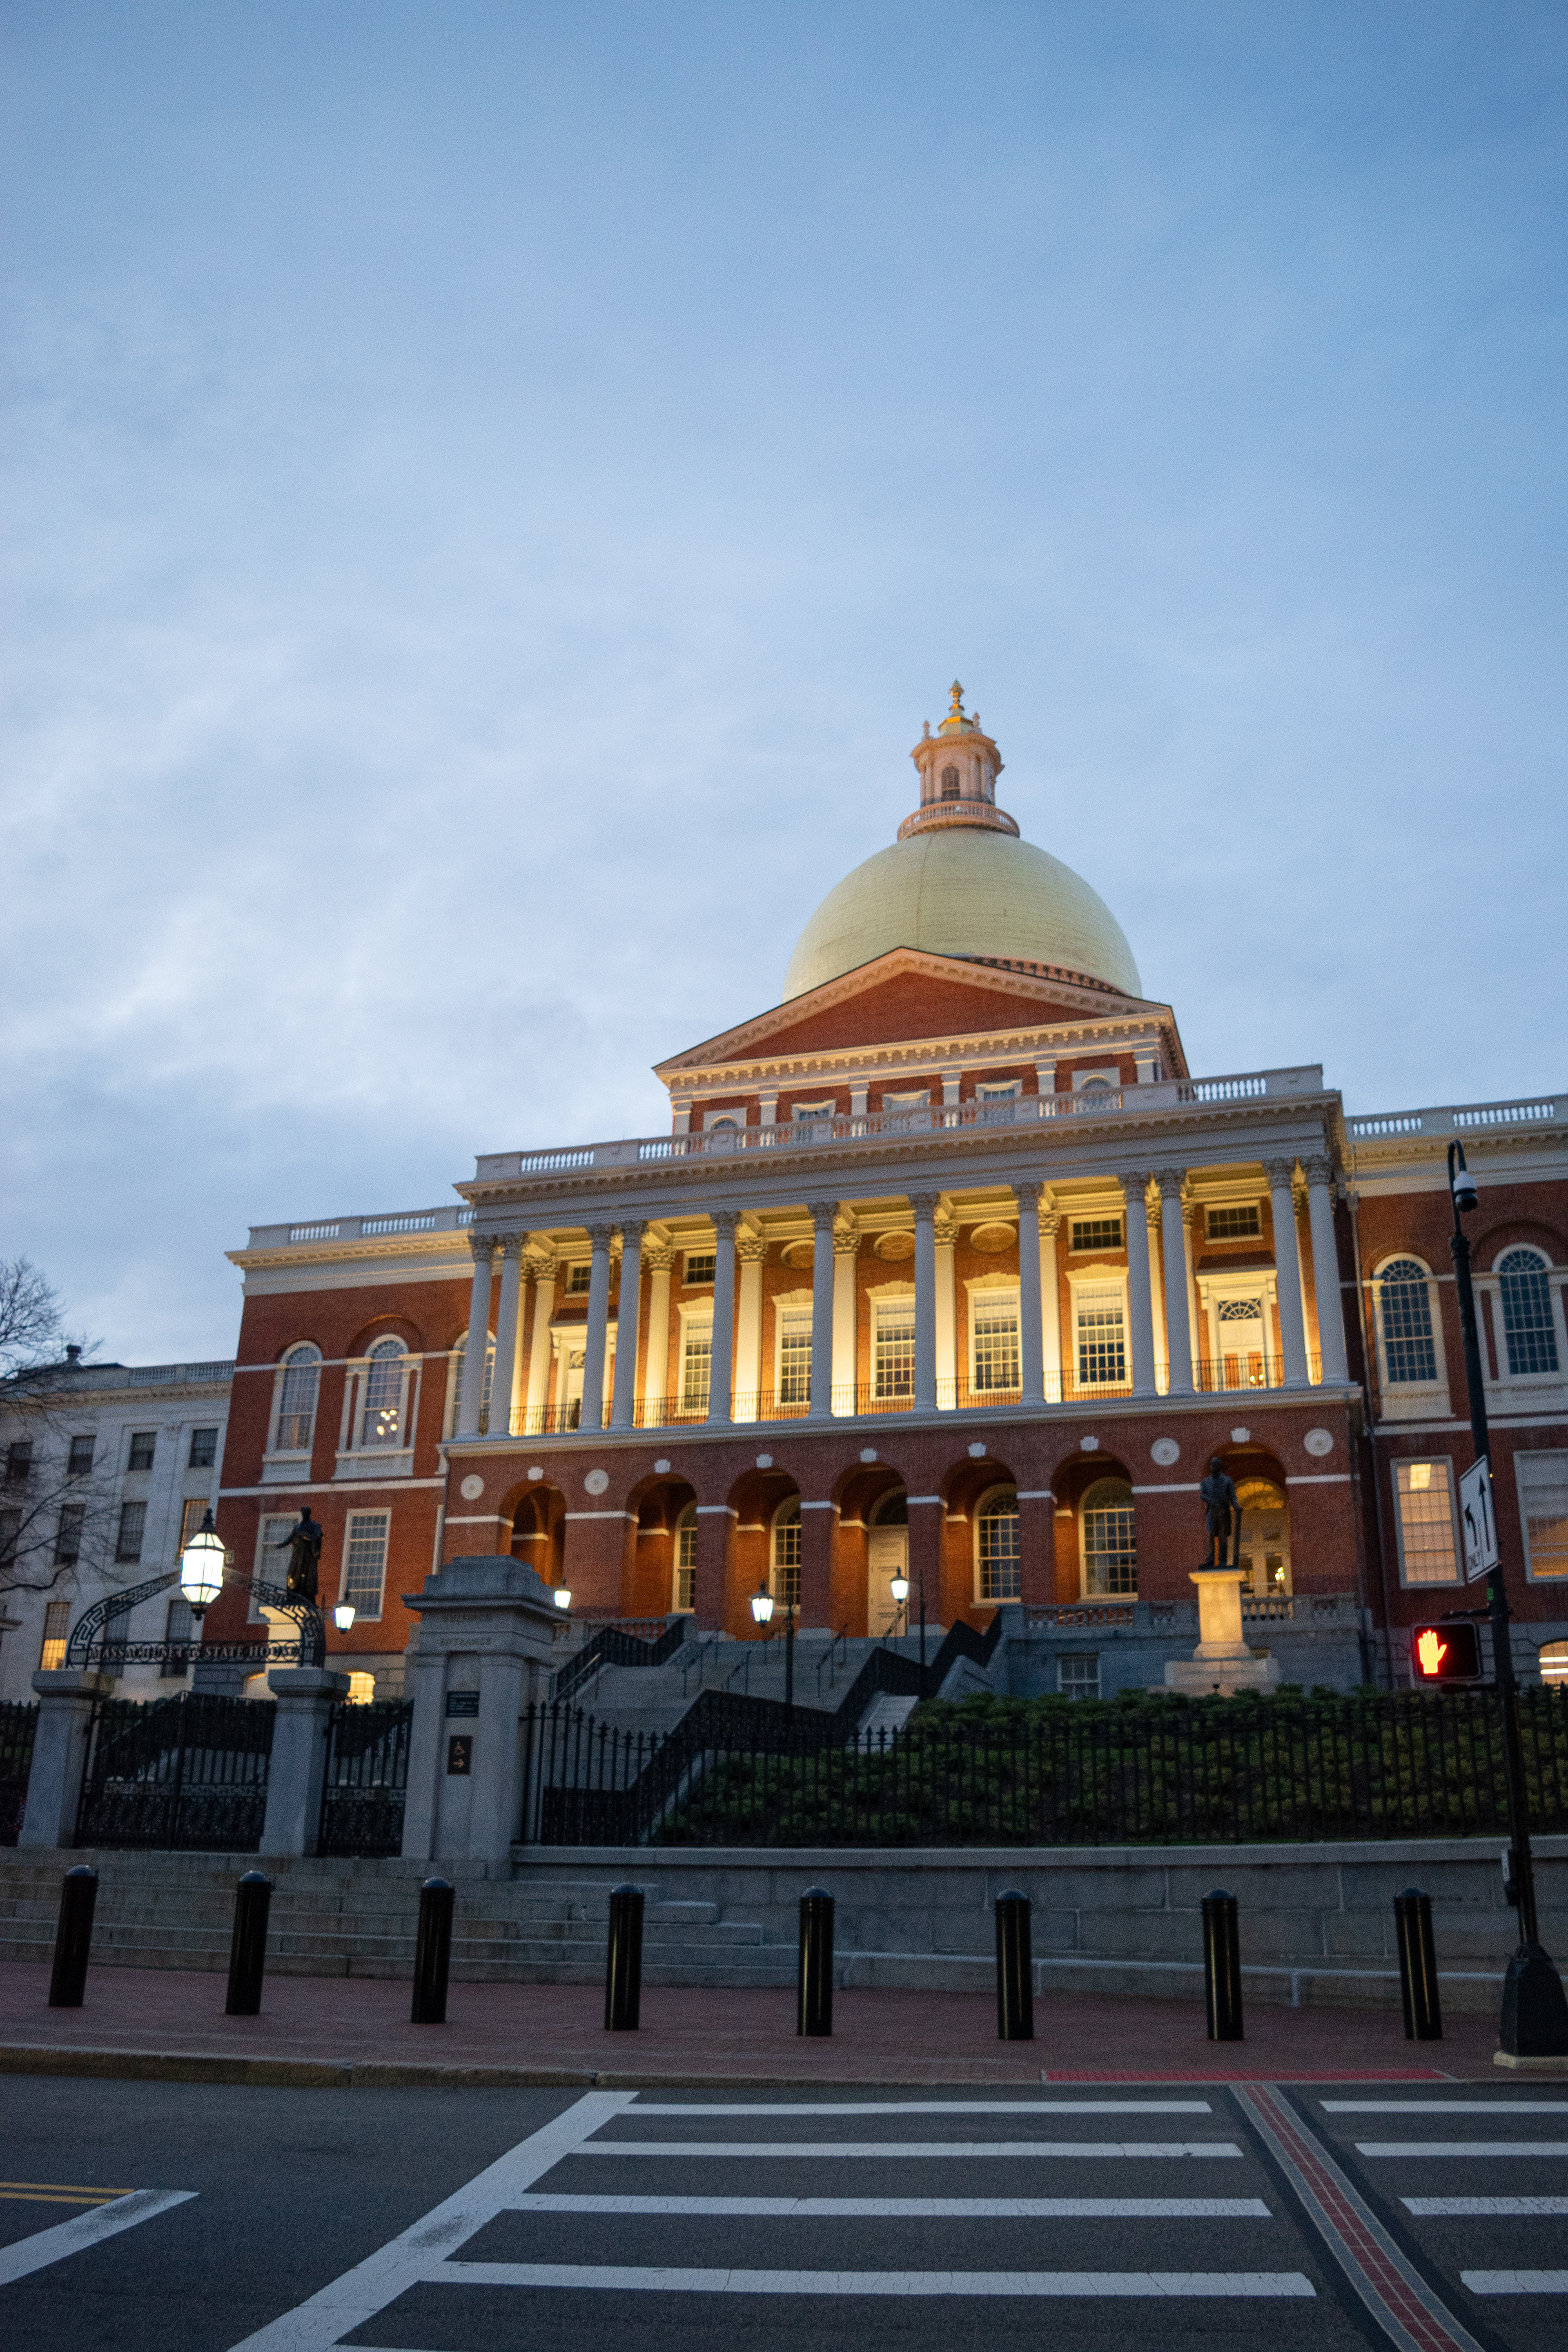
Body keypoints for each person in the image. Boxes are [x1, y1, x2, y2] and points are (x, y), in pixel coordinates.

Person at [272, 1506, 324, 1603]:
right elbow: (290, 1539)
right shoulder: (297, 1527)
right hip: (297, 1555)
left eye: (306, 1513)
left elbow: (317, 1538)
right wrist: (281, 1545)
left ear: (309, 1514)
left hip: (308, 1557)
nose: (304, 1515)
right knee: (291, 1575)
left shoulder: (314, 1526)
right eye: (303, 1513)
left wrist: (303, 1535)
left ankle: (306, 1598)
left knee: (307, 1577)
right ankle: (291, 1596)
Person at [1199, 1458, 1240, 1568]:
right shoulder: (1205, 1481)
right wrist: (1212, 1501)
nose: (1213, 1467)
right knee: (1210, 1535)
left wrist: (1236, 1506)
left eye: (1216, 1465)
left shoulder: (1228, 1480)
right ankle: (1210, 1560)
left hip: (1224, 1511)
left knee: (1223, 1536)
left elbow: (1233, 1496)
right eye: (1212, 1465)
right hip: (1212, 1511)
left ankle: (1223, 1561)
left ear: (1220, 1467)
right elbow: (1203, 1495)